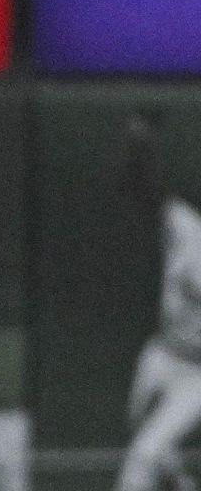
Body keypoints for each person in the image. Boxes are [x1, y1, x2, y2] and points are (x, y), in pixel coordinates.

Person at [114, 112, 201, 491]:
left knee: (145, 457)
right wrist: (139, 143)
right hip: (161, 354)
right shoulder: (185, 222)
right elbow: (145, 190)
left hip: (197, 373)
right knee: (146, 448)